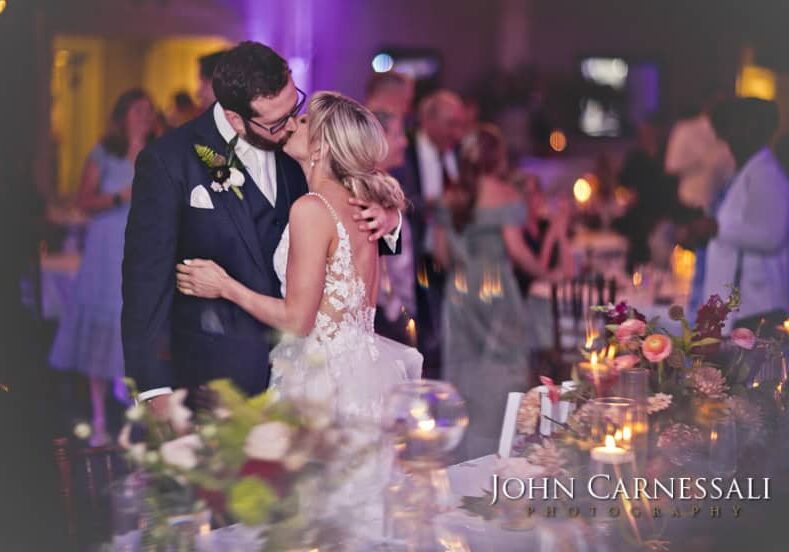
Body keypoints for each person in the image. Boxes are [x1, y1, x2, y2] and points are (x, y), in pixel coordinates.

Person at [174, 92, 422, 538]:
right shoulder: (356, 201)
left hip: (323, 382)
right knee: (353, 520)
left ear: (322, 145)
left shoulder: (313, 209)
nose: (292, 122)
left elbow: (297, 320)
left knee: (313, 523)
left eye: (304, 120)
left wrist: (224, 286)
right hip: (360, 375)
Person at [122, 42, 402, 415]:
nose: (290, 125)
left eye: (295, 108)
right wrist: (153, 389)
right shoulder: (169, 160)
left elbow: (343, 233)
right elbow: (145, 283)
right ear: (236, 118)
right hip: (213, 380)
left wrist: (389, 220)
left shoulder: (300, 158)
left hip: (303, 374)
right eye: (276, 122)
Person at [433, 125, 546, 460]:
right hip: (497, 293)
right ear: (497, 158)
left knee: (463, 370)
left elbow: (441, 256)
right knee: (501, 371)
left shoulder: (449, 198)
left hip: (459, 293)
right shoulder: (506, 194)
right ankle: (498, 451)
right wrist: (545, 272)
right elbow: (517, 251)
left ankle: (462, 455)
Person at [50, 89, 156, 446]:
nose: (144, 116)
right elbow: (83, 200)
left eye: (149, 110)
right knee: (100, 329)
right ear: (123, 115)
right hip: (106, 249)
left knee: (137, 329)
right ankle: (98, 418)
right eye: (138, 110)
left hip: (141, 248)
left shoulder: (158, 151)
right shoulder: (105, 152)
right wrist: (119, 196)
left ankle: (138, 418)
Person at [702, 97, 789, 330]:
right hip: (744, 308)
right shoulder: (748, 171)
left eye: (734, 127)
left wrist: (717, 228)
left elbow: (772, 235)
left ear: (752, 130)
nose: (727, 137)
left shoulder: (766, 174)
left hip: (758, 308)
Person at [402, 89, 466, 378]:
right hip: (418, 255)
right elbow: (398, 197)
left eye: (460, 124)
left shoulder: (459, 153)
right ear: (428, 121)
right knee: (426, 334)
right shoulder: (406, 150)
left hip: (455, 256)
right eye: (451, 124)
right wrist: (433, 204)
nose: (457, 132)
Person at [371, 109, 417, 345]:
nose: (405, 142)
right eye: (397, 135)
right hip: (383, 315)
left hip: (397, 308)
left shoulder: (386, 186)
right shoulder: (368, 193)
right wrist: (394, 310)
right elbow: (380, 258)